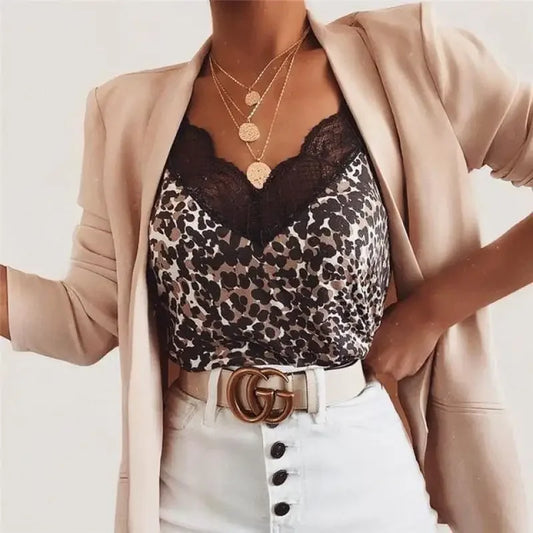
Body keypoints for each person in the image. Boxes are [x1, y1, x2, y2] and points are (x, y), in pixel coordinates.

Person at [1, 1, 531, 532]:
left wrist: (432, 311)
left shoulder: (415, 59)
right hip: (191, 500)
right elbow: (86, 318)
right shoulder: (125, 112)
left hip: (366, 487)